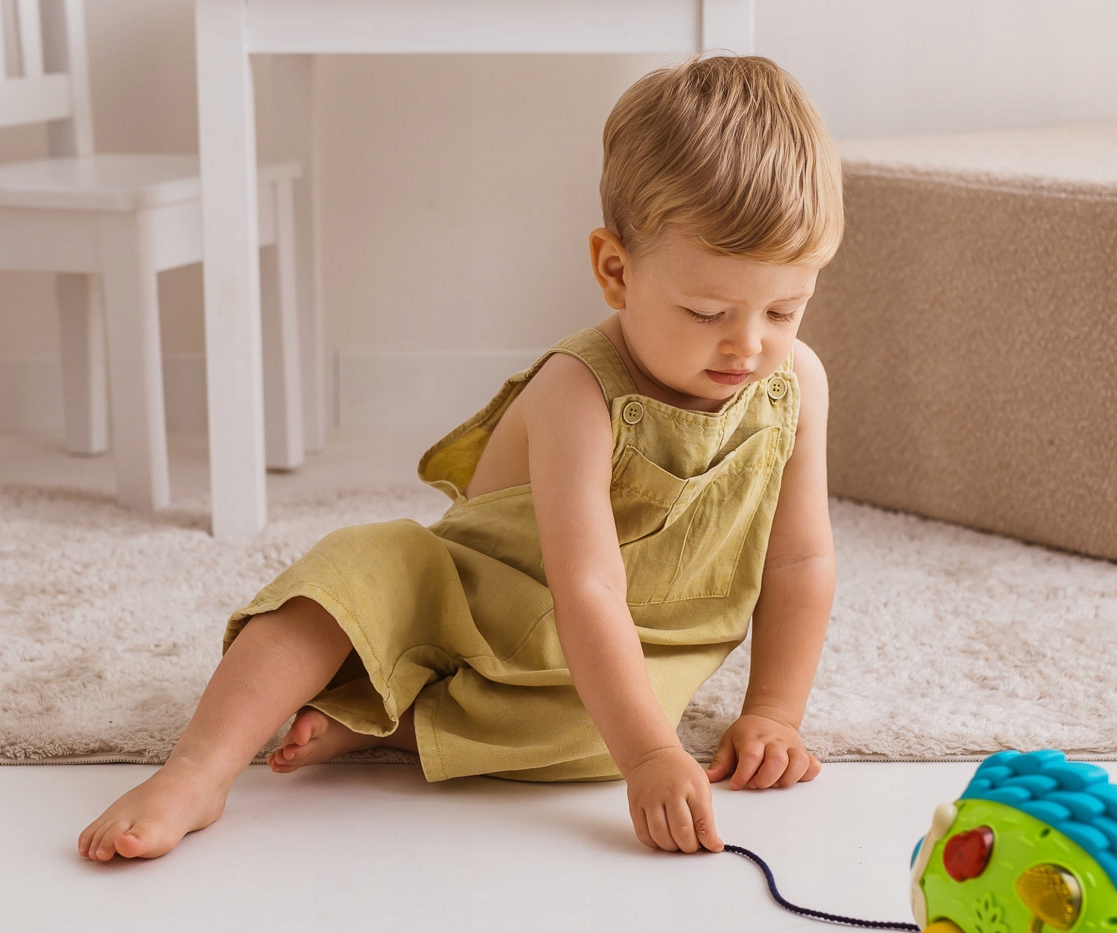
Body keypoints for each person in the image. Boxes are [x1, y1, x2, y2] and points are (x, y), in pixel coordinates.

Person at [78, 52, 843, 862]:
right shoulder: (578, 390)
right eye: (707, 312)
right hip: (471, 594)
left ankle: (394, 721)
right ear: (615, 271)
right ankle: (197, 771)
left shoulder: (795, 385)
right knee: (344, 576)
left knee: (607, 732)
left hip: (619, 649)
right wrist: (649, 756)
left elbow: (798, 559)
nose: (747, 345)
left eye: (783, 310)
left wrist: (772, 712)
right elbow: (586, 588)